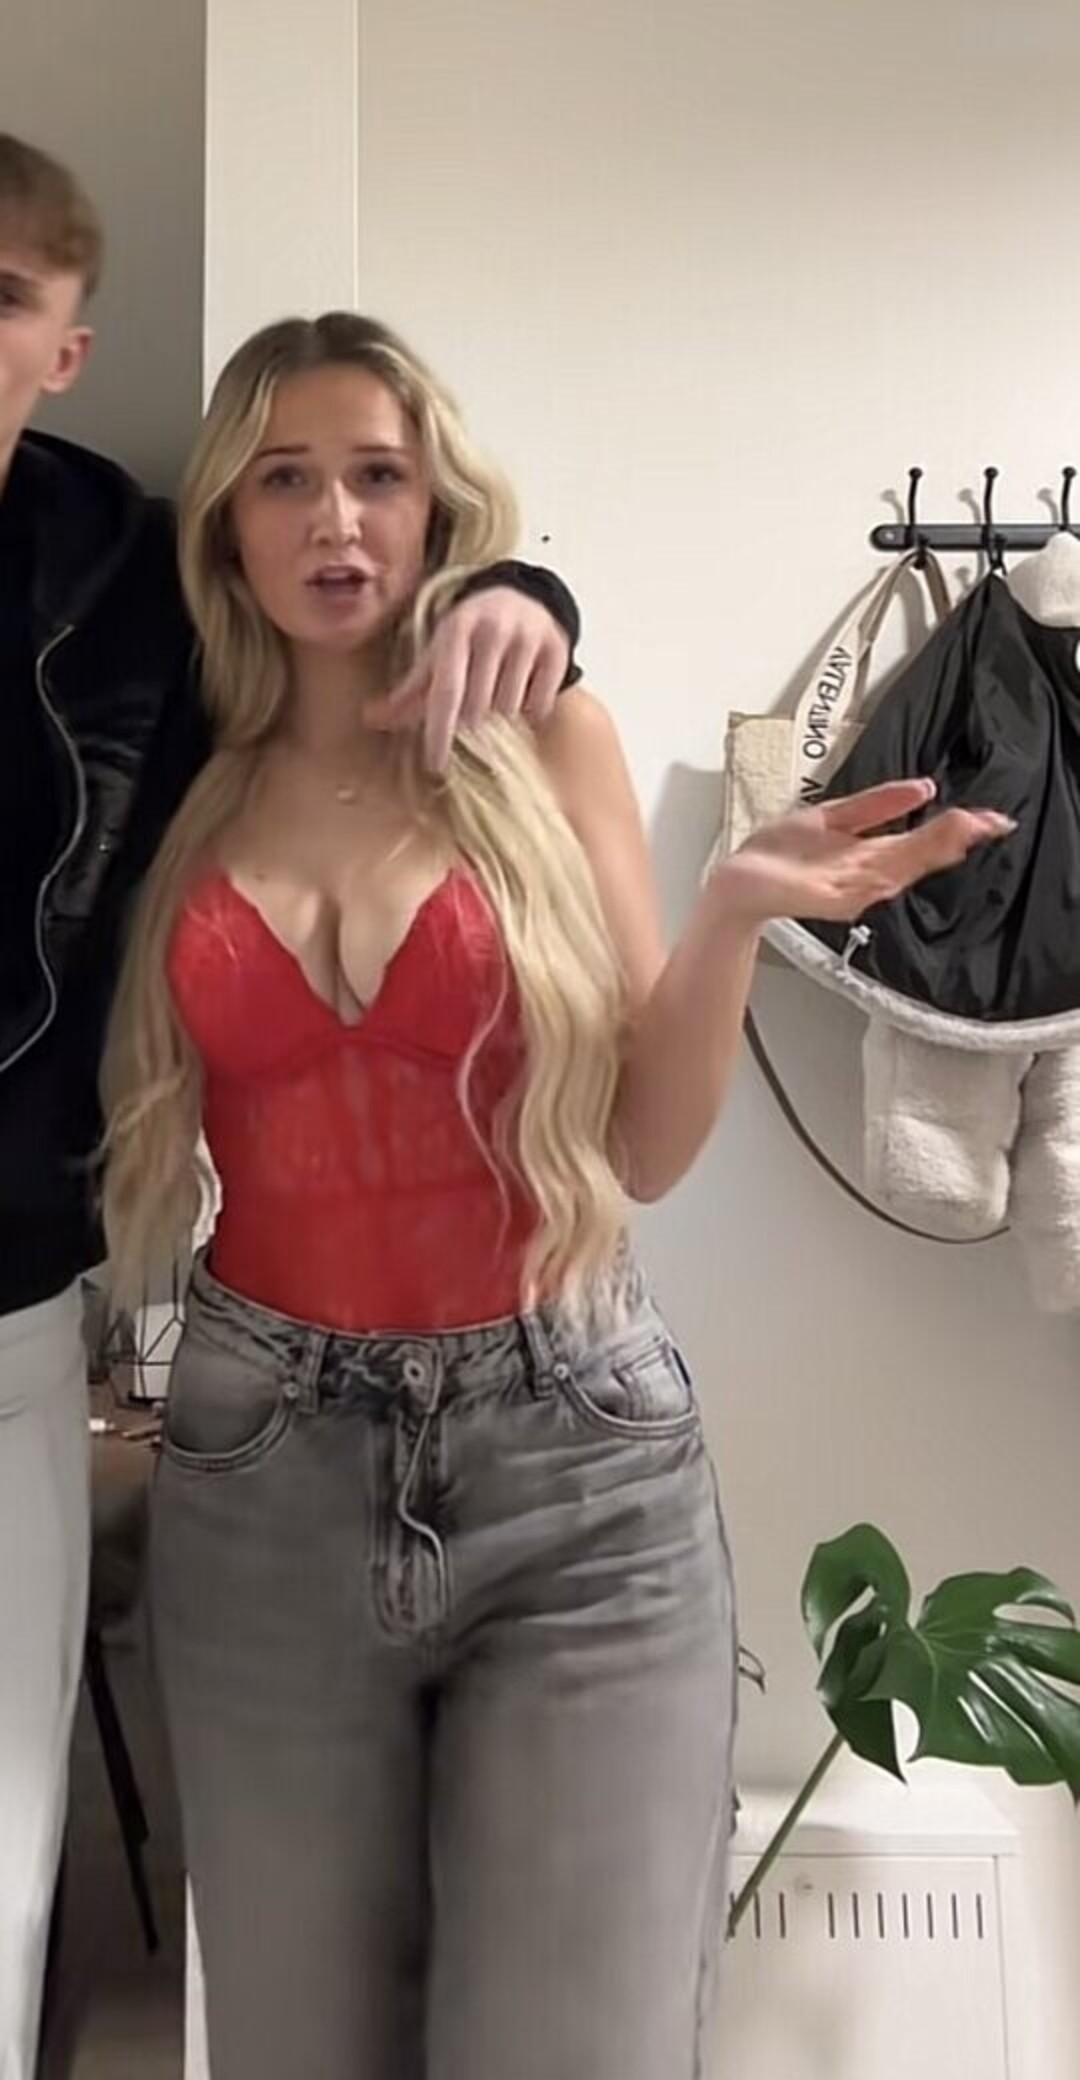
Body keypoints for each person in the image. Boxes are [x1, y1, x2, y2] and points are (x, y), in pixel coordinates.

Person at [99, 310, 1012, 2080]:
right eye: (285, 480)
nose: (337, 521)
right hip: (263, 1473)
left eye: (379, 476)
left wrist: (733, 911)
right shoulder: (176, 763)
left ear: (439, 506)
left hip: (572, 1466)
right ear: (224, 523)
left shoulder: (543, 739)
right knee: (298, 2047)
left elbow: (644, 1151)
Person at [0, 133, 582, 2080]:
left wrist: (530, 586)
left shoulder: (119, 577)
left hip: (13, 1296)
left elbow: (348, 594)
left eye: (3, 298)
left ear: (68, 348)